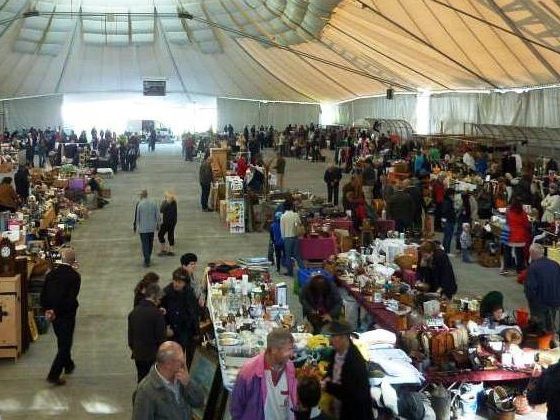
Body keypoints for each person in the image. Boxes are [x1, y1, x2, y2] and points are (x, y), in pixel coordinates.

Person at [230, 329, 297, 420]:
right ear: (274, 350)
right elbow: (236, 406)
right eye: (288, 349)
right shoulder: (249, 371)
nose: (292, 354)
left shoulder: (290, 367)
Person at [132, 341, 204, 420]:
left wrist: (188, 384)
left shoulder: (182, 378)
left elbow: (199, 402)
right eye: (180, 360)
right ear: (168, 364)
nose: (184, 363)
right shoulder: (146, 391)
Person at [40, 248, 81, 385]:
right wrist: (56, 310)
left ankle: (68, 365)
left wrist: (48, 310)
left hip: (53, 315)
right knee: (65, 344)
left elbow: (43, 294)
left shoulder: (51, 275)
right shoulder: (75, 277)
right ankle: (54, 375)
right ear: (73, 261)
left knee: (62, 340)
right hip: (66, 315)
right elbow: (69, 299)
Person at [321, 320, 373, 420]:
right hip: (339, 403)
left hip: (354, 411)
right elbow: (331, 371)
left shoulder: (354, 361)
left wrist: (327, 386)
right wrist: (326, 378)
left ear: (343, 337)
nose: (330, 341)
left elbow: (349, 392)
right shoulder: (335, 353)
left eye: (333, 337)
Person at [160, 268, 200, 368]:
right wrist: (166, 328)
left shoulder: (189, 292)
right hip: (173, 333)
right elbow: (160, 313)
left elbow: (193, 313)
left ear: (185, 283)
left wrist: (196, 332)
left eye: (179, 282)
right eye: (175, 280)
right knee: (174, 360)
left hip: (187, 330)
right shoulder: (166, 293)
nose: (176, 284)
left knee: (191, 359)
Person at [128, 283, 166, 383]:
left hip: (138, 355)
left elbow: (130, 339)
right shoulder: (157, 314)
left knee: (141, 380)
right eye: (159, 298)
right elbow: (161, 339)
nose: (159, 301)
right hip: (153, 356)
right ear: (154, 297)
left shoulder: (134, 312)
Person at [525, 243, 560, 341]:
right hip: (554, 300)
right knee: (550, 323)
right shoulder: (555, 264)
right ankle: (552, 342)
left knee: (539, 327)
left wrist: (530, 301)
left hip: (539, 302)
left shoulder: (533, 267)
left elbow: (531, 287)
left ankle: (541, 345)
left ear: (532, 254)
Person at [501, 196, 530, 275]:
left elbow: (507, 221)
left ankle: (506, 268)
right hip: (520, 235)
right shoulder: (523, 212)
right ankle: (519, 269)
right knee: (519, 253)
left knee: (507, 252)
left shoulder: (508, 210)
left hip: (510, 234)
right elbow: (526, 224)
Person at [133, 190, 160, 267]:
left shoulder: (140, 204)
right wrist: (158, 224)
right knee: (150, 243)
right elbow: (157, 214)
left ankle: (147, 259)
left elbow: (137, 217)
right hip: (151, 227)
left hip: (143, 228)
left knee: (145, 244)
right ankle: (148, 256)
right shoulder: (153, 203)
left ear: (141, 195)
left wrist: (136, 226)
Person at [280, 201, 303, 277]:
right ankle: (303, 269)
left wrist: (283, 238)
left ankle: (290, 272)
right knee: (297, 255)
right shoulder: (295, 215)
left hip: (287, 238)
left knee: (288, 256)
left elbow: (282, 229)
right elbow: (299, 223)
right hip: (295, 237)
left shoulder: (283, 216)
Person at [158, 191, 177, 256]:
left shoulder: (165, 203)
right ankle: (171, 250)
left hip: (166, 222)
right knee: (171, 235)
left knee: (160, 234)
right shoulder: (174, 203)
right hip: (173, 222)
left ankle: (163, 249)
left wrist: (165, 202)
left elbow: (161, 210)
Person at [441, 188, 457, 254]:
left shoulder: (447, 201)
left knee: (447, 236)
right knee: (448, 236)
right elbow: (445, 212)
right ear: (450, 194)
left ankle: (445, 250)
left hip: (448, 220)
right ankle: (446, 251)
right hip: (449, 220)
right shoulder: (448, 202)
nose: (454, 196)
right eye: (453, 194)